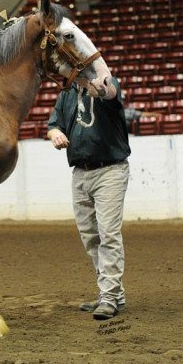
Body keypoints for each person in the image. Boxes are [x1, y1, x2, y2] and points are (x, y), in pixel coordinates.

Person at [47, 76, 131, 320]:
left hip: (110, 171)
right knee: (91, 237)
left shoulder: (105, 81)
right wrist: (55, 134)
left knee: (108, 234)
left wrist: (103, 90)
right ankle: (113, 293)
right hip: (80, 173)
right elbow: (54, 124)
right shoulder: (66, 93)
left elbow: (111, 93)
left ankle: (110, 297)